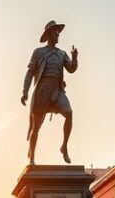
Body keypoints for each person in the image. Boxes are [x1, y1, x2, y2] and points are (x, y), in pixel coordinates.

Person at [21, 20, 79, 165]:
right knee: (36, 127)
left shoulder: (62, 53)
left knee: (69, 113)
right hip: (42, 90)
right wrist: (25, 92)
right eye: (55, 31)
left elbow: (71, 69)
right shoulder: (39, 52)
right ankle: (32, 158)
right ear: (48, 34)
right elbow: (29, 72)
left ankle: (64, 146)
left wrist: (75, 57)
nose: (58, 34)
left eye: (58, 31)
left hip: (57, 90)